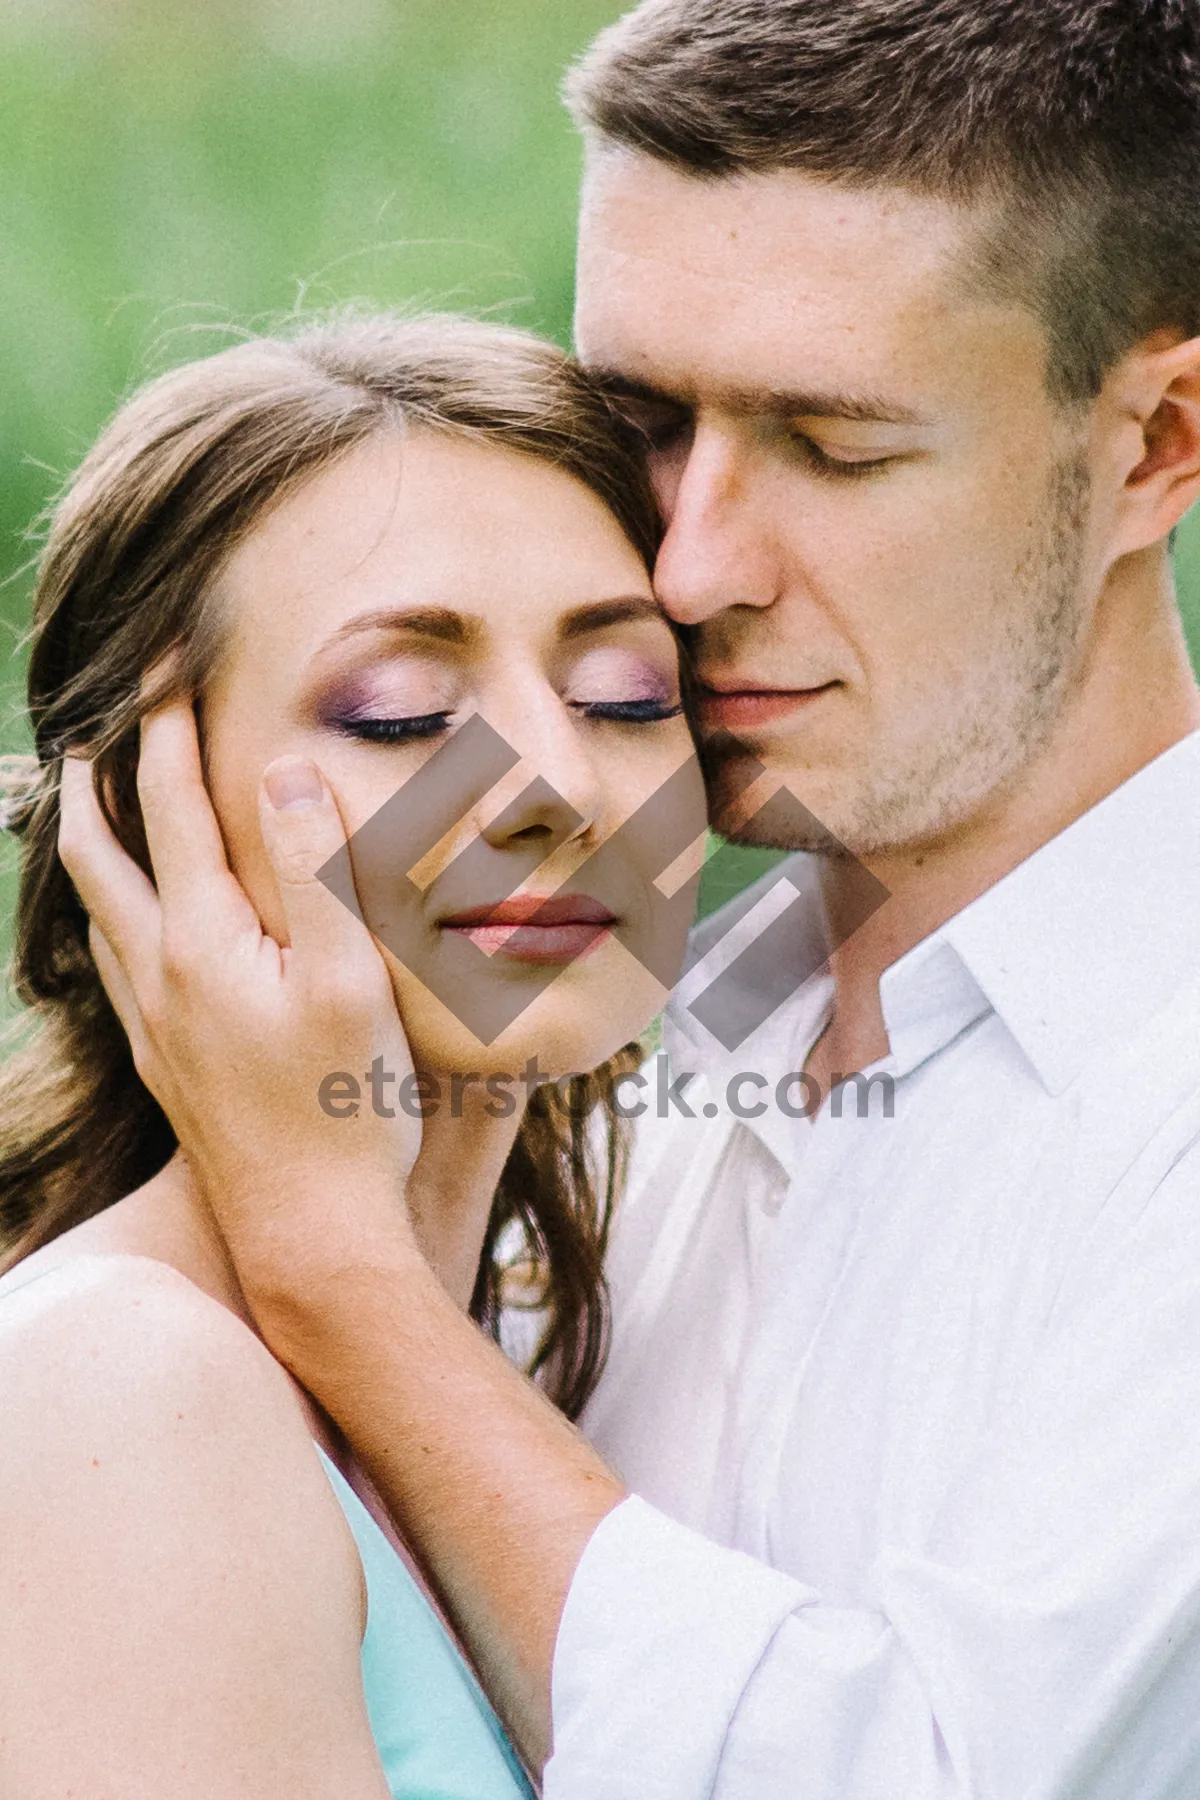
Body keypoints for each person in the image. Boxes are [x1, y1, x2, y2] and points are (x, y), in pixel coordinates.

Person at [45, 0, 1200, 1793]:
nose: (691, 561)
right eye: (647, 421)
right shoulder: (644, 1089)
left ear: (1156, 445)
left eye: (834, 441)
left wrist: (342, 1274)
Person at [0, 311, 707, 1796]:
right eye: (402, 713)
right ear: (143, 802)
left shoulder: (555, 1367)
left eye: (627, 694)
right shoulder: (123, 1387)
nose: (562, 784)